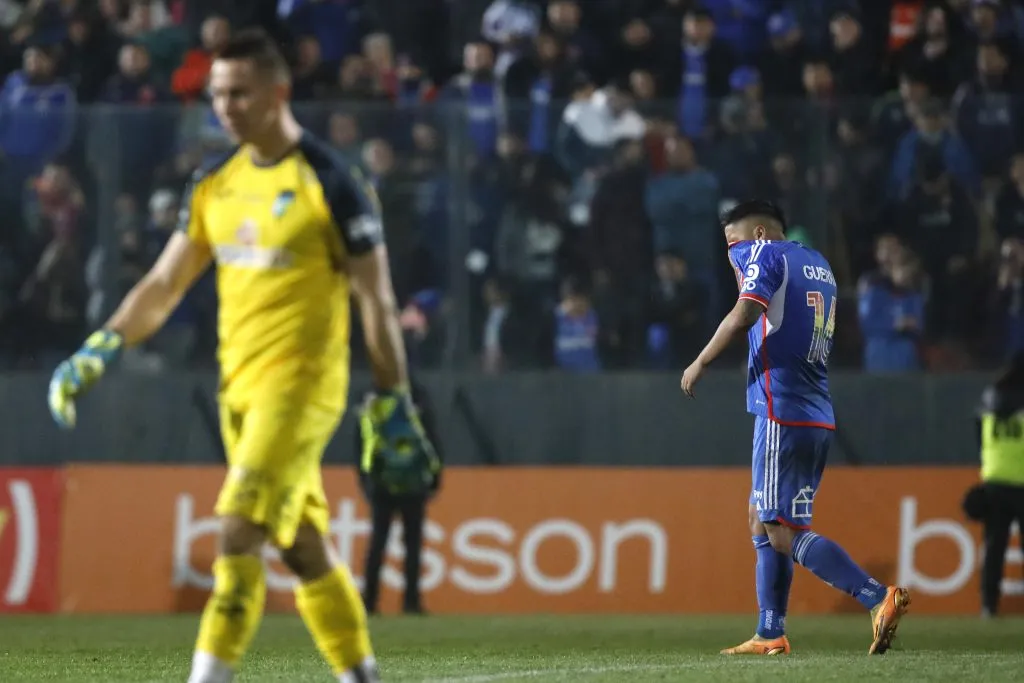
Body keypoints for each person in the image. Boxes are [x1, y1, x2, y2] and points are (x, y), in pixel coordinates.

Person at [46, 29, 436, 683]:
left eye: (239, 93)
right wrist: (101, 346)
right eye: (218, 94)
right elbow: (164, 284)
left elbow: (375, 299)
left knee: (236, 530)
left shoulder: (331, 182)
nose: (225, 107)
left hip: (303, 387)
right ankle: (361, 675)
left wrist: (394, 396)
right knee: (303, 546)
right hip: (240, 392)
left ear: (279, 91)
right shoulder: (215, 183)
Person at [680, 200, 911, 656]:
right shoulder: (818, 263)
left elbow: (746, 313)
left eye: (733, 243)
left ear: (759, 233)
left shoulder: (766, 254)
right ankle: (770, 632)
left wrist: (701, 361)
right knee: (760, 515)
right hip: (814, 410)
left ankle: (875, 596)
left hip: (780, 408)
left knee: (780, 530)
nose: (732, 255)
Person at [356, 379, 443, 615]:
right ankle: (411, 602)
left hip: (382, 482)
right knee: (412, 544)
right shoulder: (416, 395)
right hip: (413, 483)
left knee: (378, 541)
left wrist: (366, 479)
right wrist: (434, 477)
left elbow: (363, 440)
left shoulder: (372, 395)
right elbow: (430, 438)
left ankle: (369, 601)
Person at [973, 353, 1024, 617]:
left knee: (994, 547)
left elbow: (978, 432)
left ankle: (988, 605)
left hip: (995, 480)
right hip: (1022, 480)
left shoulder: (990, 397)